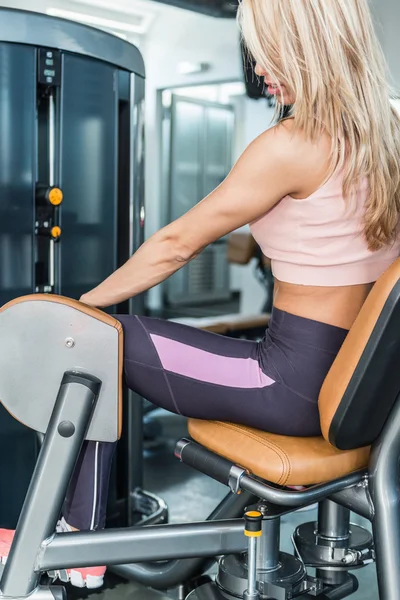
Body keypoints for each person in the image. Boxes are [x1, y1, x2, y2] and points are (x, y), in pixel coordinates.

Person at [2, 0, 400, 589]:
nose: (259, 64)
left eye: (267, 46)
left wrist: (81, 309)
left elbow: (176, 243)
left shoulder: (293, 144)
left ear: (307, 43)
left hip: (289, 383)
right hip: (358, 390)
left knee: (94, 342)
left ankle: (74, 544)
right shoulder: (387, 135)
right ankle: (71, 537)